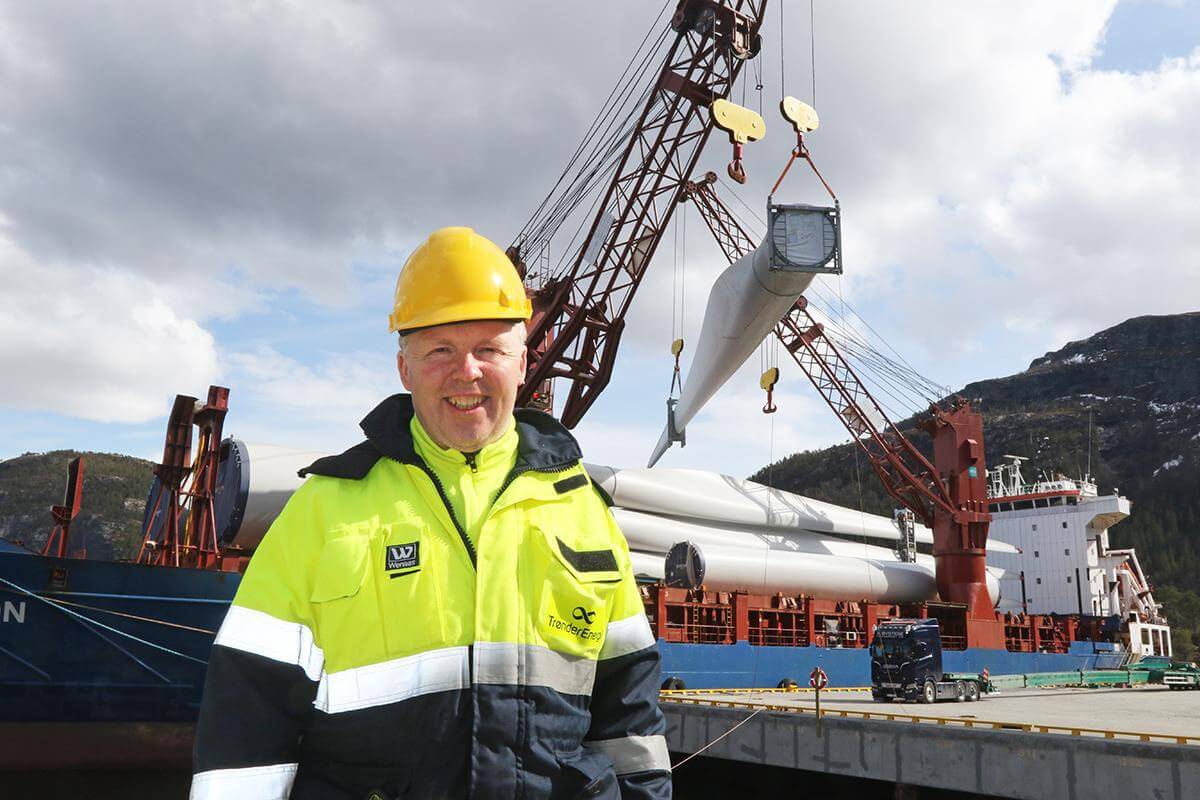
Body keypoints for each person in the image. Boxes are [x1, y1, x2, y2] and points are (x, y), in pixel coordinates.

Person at [190, 227, 672, 800]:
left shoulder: (582, 508)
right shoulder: (324, 509)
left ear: (523, 363)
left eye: (489, 349)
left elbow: (630, 714)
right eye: (439, 349)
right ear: (404, 369)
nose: (466, 371)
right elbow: (245, 719)